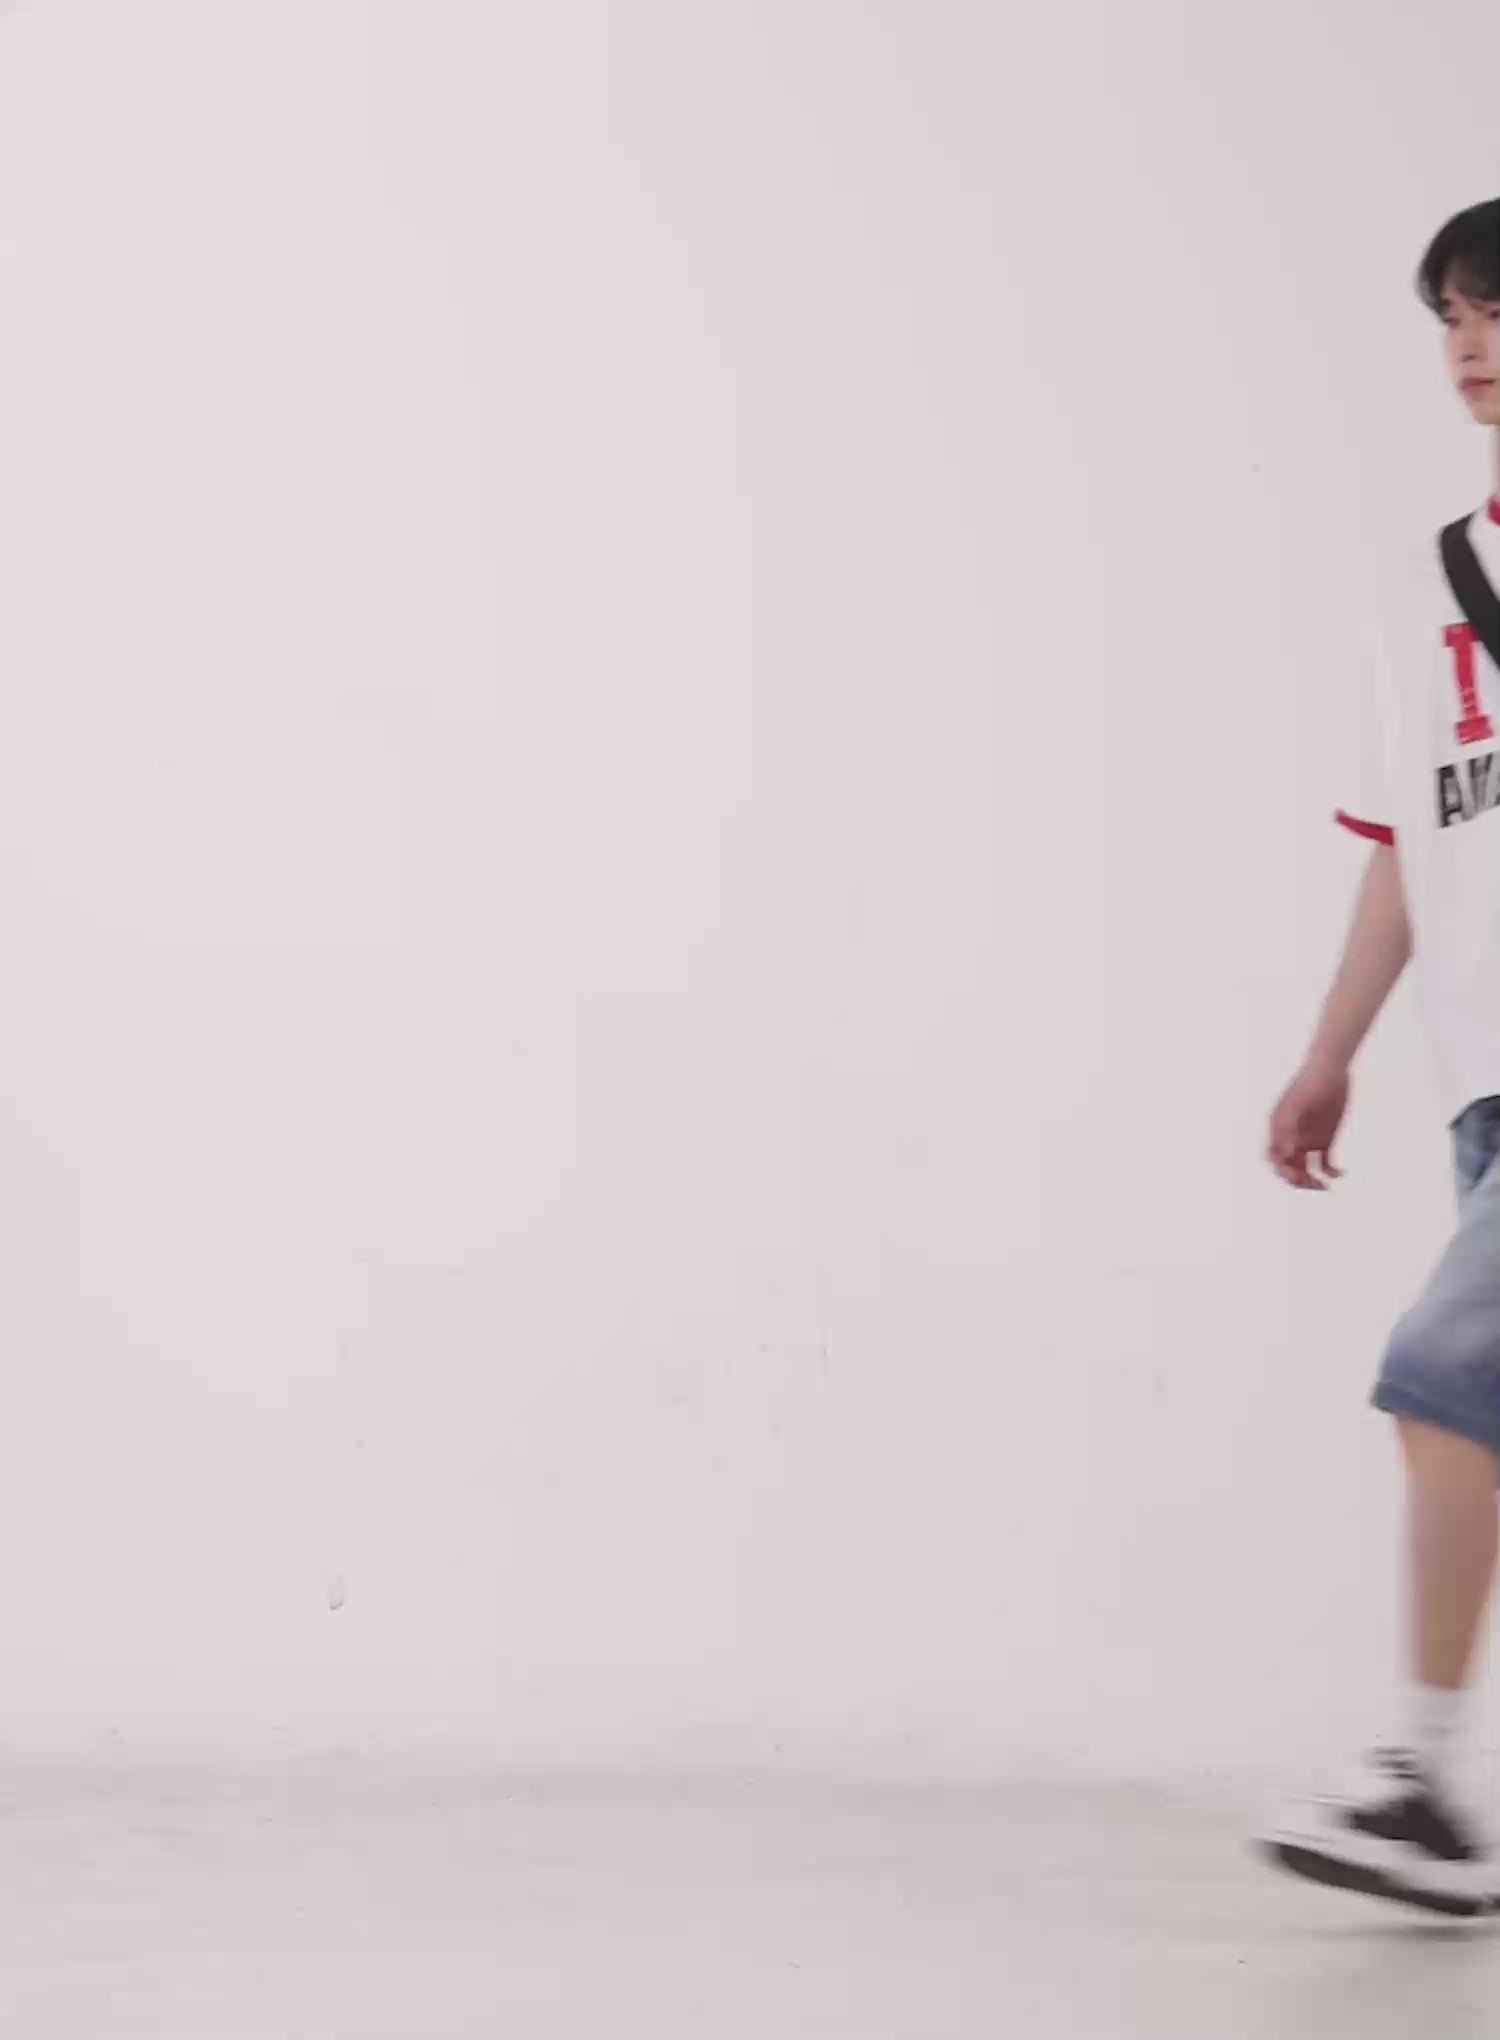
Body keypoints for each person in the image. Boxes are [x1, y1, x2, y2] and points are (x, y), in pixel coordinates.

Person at [1256, 197, 1500, 1918]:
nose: (1470, 346)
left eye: (1499, 312)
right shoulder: (1430, 591)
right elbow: (1404, 853)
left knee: (1444, 1375)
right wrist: (1327, 1054)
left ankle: (1417, 1783)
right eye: (1453, 319)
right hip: (1483, 1081)